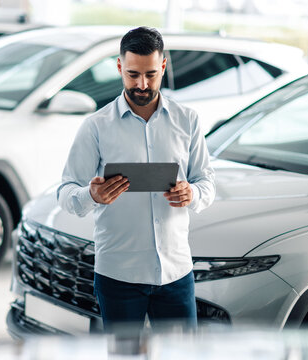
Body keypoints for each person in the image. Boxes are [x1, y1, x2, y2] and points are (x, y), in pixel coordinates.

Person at [57, 26, 216, 333]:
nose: (142, 84)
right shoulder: (96, 127)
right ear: (119, 67)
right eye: (132, 74)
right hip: (118, 276)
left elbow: (207, 182)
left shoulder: (188, 121)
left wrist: (192, 194)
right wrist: (91, 196)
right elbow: (65, 192)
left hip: (175, 273)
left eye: (151, 74)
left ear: (164, 66)